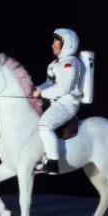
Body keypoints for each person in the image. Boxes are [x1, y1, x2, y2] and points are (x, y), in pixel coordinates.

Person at [32, 28, 83, 174]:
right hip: (55, 103)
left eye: (56, 41)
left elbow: (64, 88)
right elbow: (50, 83)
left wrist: (41, 93)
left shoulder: (70, 63)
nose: (52, 45)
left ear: (67, 44)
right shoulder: (55, 64)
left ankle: (53, 162)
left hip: (68, 104)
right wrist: (34, 89)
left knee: (45, 125)